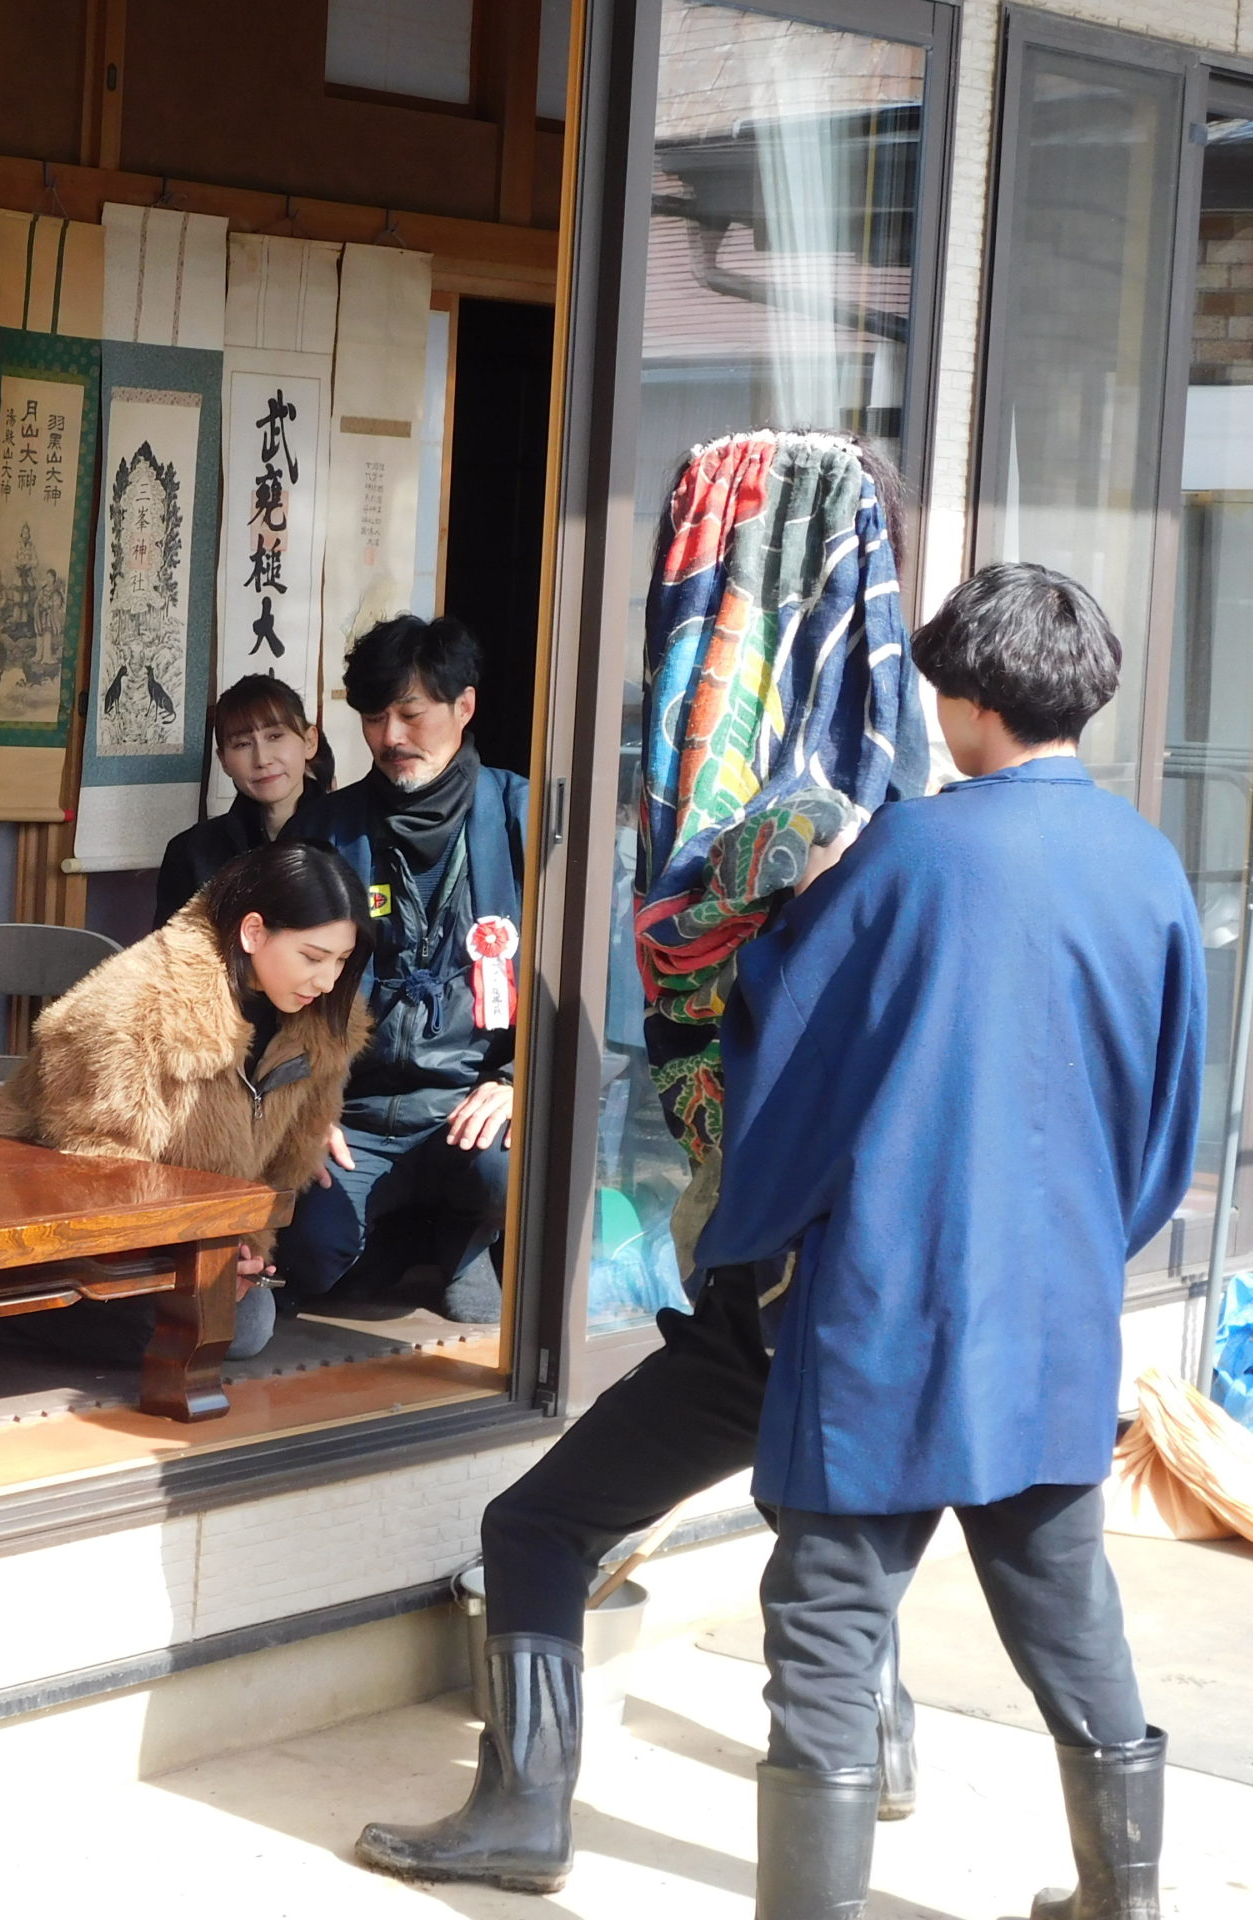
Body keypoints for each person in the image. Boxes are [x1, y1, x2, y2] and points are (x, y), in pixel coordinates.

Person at [356, 428, 928, 1896]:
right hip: (880, 1288)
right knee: (837, 1540)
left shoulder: (782, 831)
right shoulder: (915, 812)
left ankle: (523, 1817)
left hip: (772, 1288)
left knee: (540, 1524)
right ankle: (887, 1745)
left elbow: (681, 949)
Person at [702, 564, 1202, 1920]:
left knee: (828, 1619)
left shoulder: (910, 851)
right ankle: (1123, 1900)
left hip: (888, 1293)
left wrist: (750, 1237)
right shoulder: (1148, 864)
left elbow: (790, 1042)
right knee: (1068, 1609)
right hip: (1052, 1303)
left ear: (972, 700)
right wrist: (1086, 1243)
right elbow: (1166, 1123)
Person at [0, 840, 373, 1362]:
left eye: (342, 960)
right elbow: (97, 1177)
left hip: (188, 1229)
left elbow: (281, 1169)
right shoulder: (132, 1008)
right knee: (212, 1327)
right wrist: (195, 1260)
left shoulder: (327, 1020)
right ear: (253, 932)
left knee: (268, 1297)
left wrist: (240, 1253)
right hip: (50, 1219)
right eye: (313, 957)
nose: (328, 979)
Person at [277, 615, 524, 1326]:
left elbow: (577, 984)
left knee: (504, 1169)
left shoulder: (524, 817)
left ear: (464, 707)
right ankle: (408, 1240)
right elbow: (265, 990)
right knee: (309, 1260)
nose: (391, 737)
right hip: (351, 1112)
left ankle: (467, 1237)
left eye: (411, 714)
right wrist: (300, 1101)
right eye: (374, 717)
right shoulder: (324, 831)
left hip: (466, 1109)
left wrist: (519, 1082)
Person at [154, 674, 335, 923]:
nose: (262, 759)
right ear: (224, 760)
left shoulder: (352, 835)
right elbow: (173, 946)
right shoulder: (191, 852)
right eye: (242, 744)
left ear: (309, 742)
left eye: (275, 736)